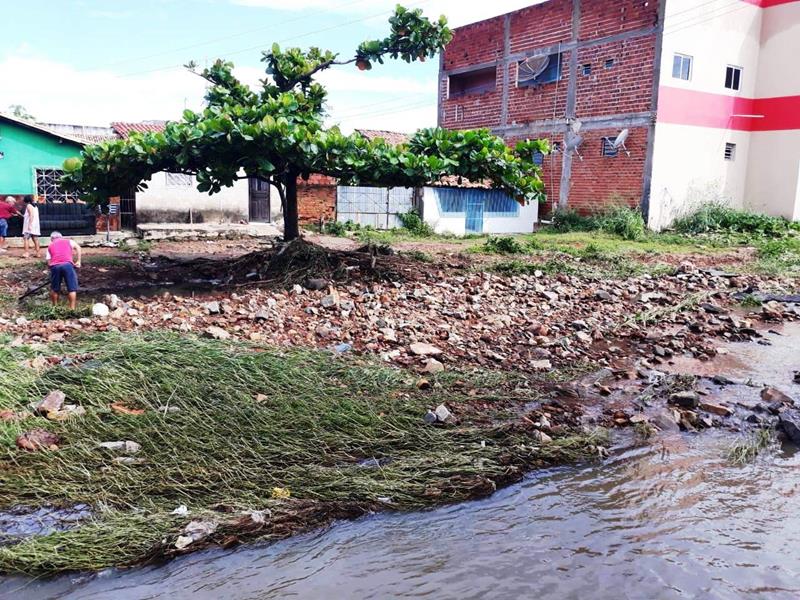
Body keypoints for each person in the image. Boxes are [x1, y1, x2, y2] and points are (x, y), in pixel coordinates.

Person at [47, 232, 82, 310]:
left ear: (52, 239)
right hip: (68, 265)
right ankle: (72, 309)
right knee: (72, 289)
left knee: (54, 289)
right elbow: (78, 248)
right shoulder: (68, 241)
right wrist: (78, 261)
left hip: (55, 266)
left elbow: (49, 263)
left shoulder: (50, 246)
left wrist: (54, 274)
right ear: (61, 237)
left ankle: (55, 308)